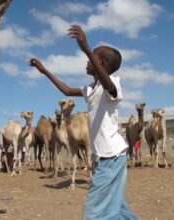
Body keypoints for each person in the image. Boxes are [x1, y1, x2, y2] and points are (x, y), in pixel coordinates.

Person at [30, 24, 138, 220]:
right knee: (117, 209)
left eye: (92, 59)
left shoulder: (113, 84)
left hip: (111, 157)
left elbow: (109, 87)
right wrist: (45, 71)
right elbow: (66, 91)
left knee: (94, 214)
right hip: (104, 158)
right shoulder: (91, 89)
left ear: (102, 63)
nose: (87, 62)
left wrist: (87, 48)